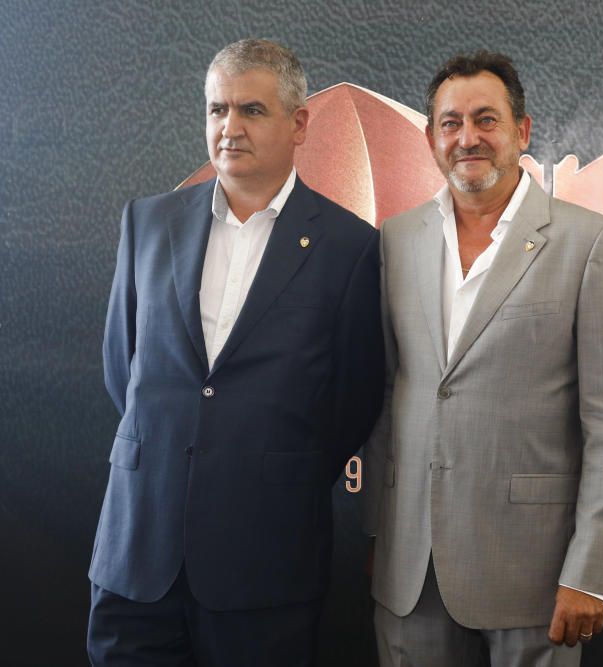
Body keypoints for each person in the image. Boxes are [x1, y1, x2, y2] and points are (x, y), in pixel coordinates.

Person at [87, 38, 384, 666]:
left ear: (299, 123)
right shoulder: (147, 222)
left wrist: (265, 462)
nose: (229, 128)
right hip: (138, 555)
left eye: (251, 110)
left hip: (264, 566)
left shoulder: (349, 247)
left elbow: (352, 402)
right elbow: (127, 371)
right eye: (217, 110)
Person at [363, 51, 603, 666]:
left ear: (522, 132)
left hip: (536, 577)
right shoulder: (396, 239)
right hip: (410, 573)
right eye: (450, 123)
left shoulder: (589, 244)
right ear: (431, 138)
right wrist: (378, 532)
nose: (468, 137)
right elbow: (389, 395)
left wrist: (592, 571)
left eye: (486, 120)